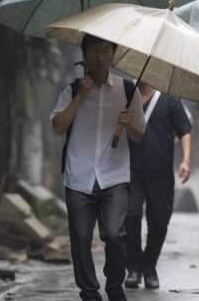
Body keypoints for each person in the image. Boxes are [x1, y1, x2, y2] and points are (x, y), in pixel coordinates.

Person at [51, 35, 145, 301]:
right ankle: (89, 292)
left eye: (106, 51)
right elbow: (58, 127)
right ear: (85, 55)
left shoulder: (128, 91)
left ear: (113, 55)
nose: (100, 57)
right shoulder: (71, 89)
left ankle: (114, 284)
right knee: (80, 238)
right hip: (78, 176)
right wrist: (81, 96)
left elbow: (139, 136)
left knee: (114, 234)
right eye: (94, 52)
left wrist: (129, 124)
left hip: (115, 176)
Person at [124, 81, 192, 289]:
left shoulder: (170, 98)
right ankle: (134, 267)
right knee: (130, 214)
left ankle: (149, 265)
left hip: (161, 171)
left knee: (159, 221)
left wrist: (186, 160)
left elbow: (184, 131)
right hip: (129, 169)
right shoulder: (126, 95)